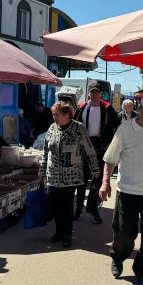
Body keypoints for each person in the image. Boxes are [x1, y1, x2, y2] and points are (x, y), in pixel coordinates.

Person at [99, 94, 143, 285]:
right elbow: (110, 159)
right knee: (125, 233)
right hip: (128, 192)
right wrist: (105, 183)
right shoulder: (125, 130)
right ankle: (118, 256)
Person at [39, 101, 100, 247]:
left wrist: (95, 168)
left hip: (71, 175)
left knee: (66, 207)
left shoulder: (79, 128)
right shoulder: (52, 128)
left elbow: (89, 150)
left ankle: (67, 234)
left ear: (67, 115)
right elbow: (46, 151)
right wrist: (42, 171)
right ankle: (58, 231)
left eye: (57, 115)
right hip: (53, 175)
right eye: (53, 114)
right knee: (55, 206)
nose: (54, 118)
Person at [74, 81, 121, 224]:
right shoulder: (81, 108)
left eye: (97, 92)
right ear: (88, 93)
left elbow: (118, 128)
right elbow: (73, 125)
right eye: (92, 92)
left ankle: (93, 210)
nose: (94, 94)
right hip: (83, 150)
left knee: (98, 181)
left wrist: (110, 144)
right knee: (81, 181)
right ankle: (78, 209)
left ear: (101, 94)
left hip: (100, 150)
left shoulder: (107, 108)